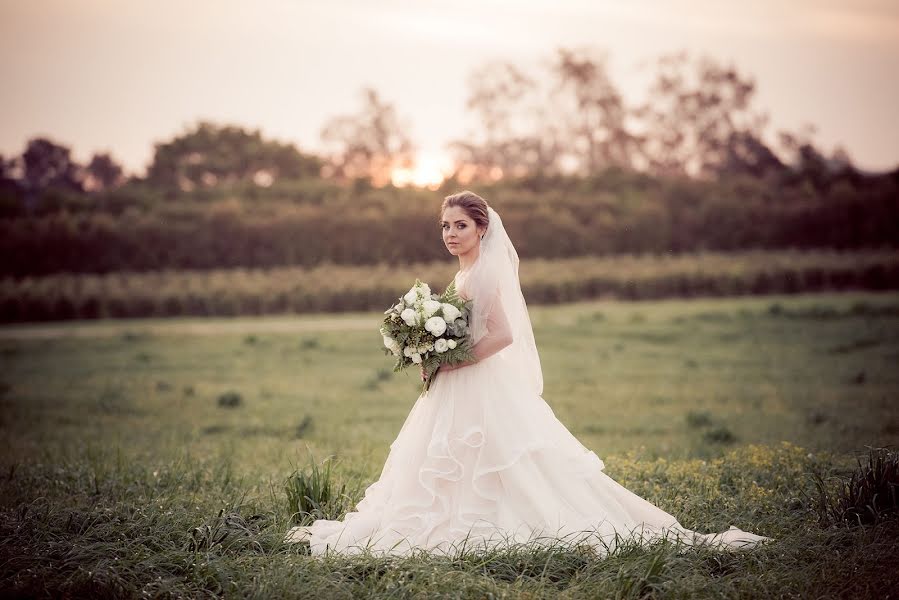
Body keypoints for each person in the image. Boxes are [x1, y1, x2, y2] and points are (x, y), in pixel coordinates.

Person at [284, 190, 772, 557]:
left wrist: (450, 359)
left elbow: (501, 336)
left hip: (478, 380)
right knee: (454, 457)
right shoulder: (463, 275)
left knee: (496, 457)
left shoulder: (485, 274)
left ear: (481, 230)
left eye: (459, 225)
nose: (450, 233)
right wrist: (431, 352)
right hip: (460, 381)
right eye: (444, 226)